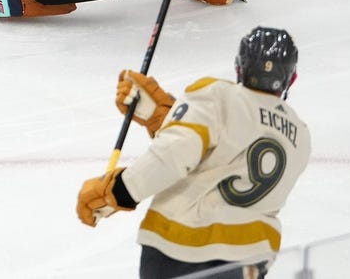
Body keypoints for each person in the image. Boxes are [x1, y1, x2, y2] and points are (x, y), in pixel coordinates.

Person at [76, 27, 311, 279]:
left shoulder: (218, 95)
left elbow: (175, 155)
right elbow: (229, 154)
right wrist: (167, 119)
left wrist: (119, 190)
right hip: (249, 260)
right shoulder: (300, 134)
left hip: (181, 251)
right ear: (291, 78)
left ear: (239, 67)